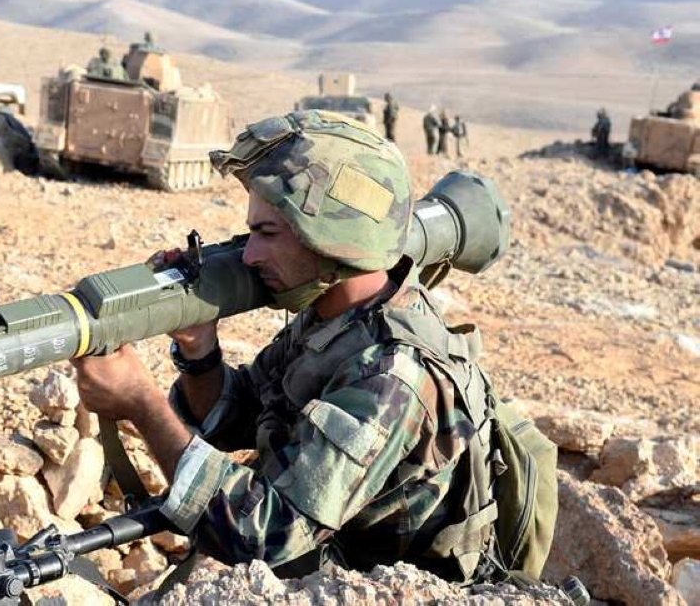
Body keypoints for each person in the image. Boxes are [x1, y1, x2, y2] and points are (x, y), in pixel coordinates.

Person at [72, 110, 501, 583]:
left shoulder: (390, 374)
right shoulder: (334, 316)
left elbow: (260, 535)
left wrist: (141, 403)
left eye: (267, 234)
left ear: (334, 240)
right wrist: (200, 353)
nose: (251, 255)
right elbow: (243, 416)